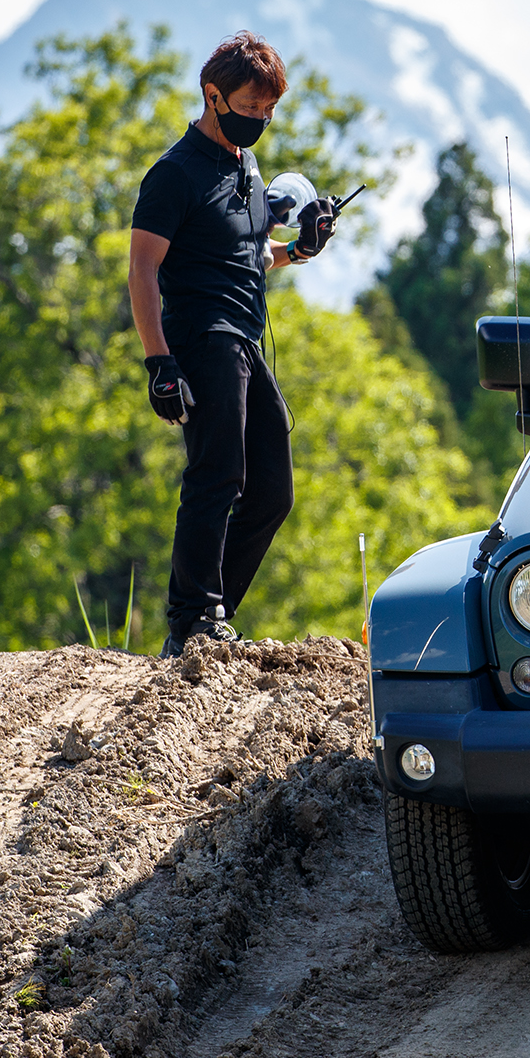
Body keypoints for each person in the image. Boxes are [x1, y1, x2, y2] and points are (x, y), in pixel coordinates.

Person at [128, 32, 339, 657]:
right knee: (216, 474)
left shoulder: (245, 168)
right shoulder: (174, 174)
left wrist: (300, 248)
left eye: (269, 111)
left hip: (244, 339)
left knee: (273, 491)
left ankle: (210, 618)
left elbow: (246, 257)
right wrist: (158, 361)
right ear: (212, 95)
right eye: (250, 107)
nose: (260, 120)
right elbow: (142, 270)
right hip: (201, 337)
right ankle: (192, 619)